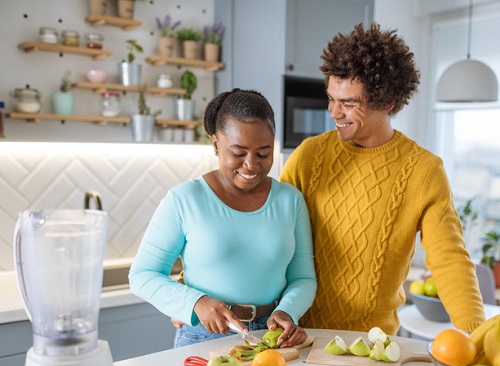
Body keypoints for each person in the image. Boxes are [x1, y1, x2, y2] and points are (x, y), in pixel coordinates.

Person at [279, 23, 486, 335]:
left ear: (387, 102)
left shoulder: (423, 171)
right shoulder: (309, 156)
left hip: (373, 348)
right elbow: (268, 231)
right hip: (298, 338)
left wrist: (477, 334)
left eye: (348, 103)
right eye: (331, 98)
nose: (334, 112)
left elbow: (449, 258)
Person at [129, 88, 317, 348]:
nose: (251, 165)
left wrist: (286, 312)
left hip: (272, 336)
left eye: (263, 153)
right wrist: (196, 303)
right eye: (238, 153)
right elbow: (142, 274)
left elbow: (303, 278)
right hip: (203, 335)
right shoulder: (185, 199)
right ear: (216, 145)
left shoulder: (290, 200)